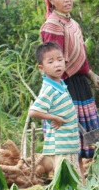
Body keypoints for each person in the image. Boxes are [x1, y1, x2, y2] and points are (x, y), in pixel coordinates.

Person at [40, 0, 99, 165]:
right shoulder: (52, 25)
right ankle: (72, 183)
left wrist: (91, 75)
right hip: (64, 86)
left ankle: (79, 181)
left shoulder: (71, 23)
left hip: (78, 83)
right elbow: (53, 63)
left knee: (81, 145)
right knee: (68, 143)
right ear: (50, 0)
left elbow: (79, 56)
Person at [28, 42, 81, 175]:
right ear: (42, 68)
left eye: (59, 59)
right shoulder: (49, 89)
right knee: (65, 180)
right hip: (60, 146)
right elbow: (33, 112)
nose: (57, 64)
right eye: (50, 62)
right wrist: (54, 118)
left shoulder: (60, 84)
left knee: (74, 180)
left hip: (68, 144)